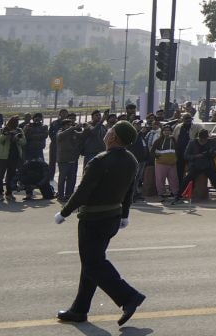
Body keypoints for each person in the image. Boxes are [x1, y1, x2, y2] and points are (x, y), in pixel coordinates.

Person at [53, 120, 146, 326]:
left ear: (113, 137)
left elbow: (82, 192)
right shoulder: (131, 160)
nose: (106, 133)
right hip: (112, 218)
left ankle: (129, 296)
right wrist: (125, 215)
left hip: (93, 219)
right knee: (91, 263)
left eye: (110, 131)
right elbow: (129, 192)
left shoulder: (100, 161)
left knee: (93, 264)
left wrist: (64, 212)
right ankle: (79, 309)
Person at [175, 129, 216, 202]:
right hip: (196, 165)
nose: (203, 141)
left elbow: (215, 152)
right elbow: (186, 156)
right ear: (198, 137)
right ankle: (179, 195)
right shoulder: (192, 143)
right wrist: (198, 156)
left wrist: (212, 154)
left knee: (215, 178)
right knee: (188, 179)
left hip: (207, 165)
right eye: (202, 139)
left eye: (205, 139)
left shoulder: (210, 142)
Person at [0, 115, 26, 202]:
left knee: (11, 176)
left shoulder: (19, 130)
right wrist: (6, 134)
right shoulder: (1, 130)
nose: (15, 125)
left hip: (14, 157)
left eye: (17, 123)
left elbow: (24, 142)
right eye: (14, 123)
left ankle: (9, 193)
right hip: (2, 157)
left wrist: (17, 138)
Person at [150, 123, 180, 200]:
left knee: (174, 179)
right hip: (160, 163)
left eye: (168, 130)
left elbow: (177, 150)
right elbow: (152, 151)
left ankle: (175, 193)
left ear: (171, 131)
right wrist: (158, 157)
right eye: (165, 130)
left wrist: (176, 158)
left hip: (172, 163)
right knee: (160, 179)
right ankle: (161, 194)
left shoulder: (173, 139)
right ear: (162, 131)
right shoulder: (158, 140)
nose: (167, 132)